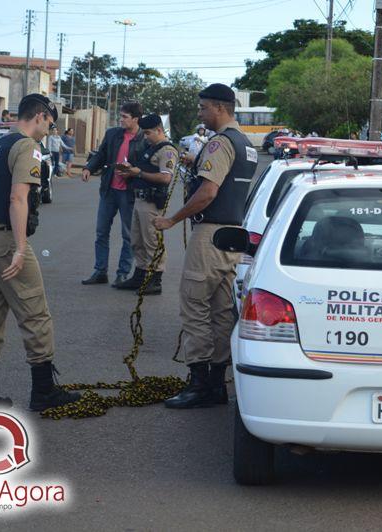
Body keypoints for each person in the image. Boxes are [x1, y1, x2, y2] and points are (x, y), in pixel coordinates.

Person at [0, 94, 81, 412]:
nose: (49, 131)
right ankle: (44, 392)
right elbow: (17, 198)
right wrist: (21, 248)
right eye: (49, 124)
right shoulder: (28, 148)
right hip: (7, 242)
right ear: (38, 116)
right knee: (35, 314)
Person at [153, 83, 258, 409]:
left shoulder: (220, 143)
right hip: (231, 236)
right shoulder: (246, 144)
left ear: (219, 108)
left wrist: (172, 220)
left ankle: (199, 383)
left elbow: (208, 192)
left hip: (210, 235)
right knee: (221, 310)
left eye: (203, 108)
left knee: (196, 308)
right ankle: (216, 383)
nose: (200, 114)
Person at [80, 101, 145, 287]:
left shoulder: (144, 139)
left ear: (135, 119)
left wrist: (133, 170)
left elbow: (147, 165)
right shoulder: (113, 134)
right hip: (109, 190)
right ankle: (100, 271)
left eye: (124, 117)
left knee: (128, 235)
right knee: (101, 232)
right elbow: (100, 155)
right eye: (120, 116)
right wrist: (88, 168)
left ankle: (122, 274)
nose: (120, 119)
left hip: (129, 193)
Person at [115, 114, 179, 295]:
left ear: (159, 130)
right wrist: (131, 172)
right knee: (137, 240)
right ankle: (140, 275)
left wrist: (139, 173)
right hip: (140, 199)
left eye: (149, 133)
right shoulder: (151, 147)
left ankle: (155, 280)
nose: (145, 136)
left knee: (152, 241)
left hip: (152, 202)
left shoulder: (166, 150)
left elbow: (166, 178)